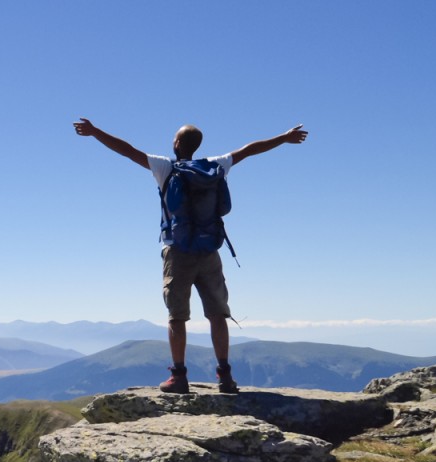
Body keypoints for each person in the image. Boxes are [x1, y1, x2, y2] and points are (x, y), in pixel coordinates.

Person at [73, 118, 308, 394]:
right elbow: (248, 150)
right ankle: (225, 377)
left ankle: (179, 376)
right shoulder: (216, 166)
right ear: (197, 146)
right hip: (210, 251)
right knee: (217, 315)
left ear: (176, 143)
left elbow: (127, 150)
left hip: (178, 251)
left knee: (177, 316)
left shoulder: (165, 167)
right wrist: (284, 137)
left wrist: (95, 132)